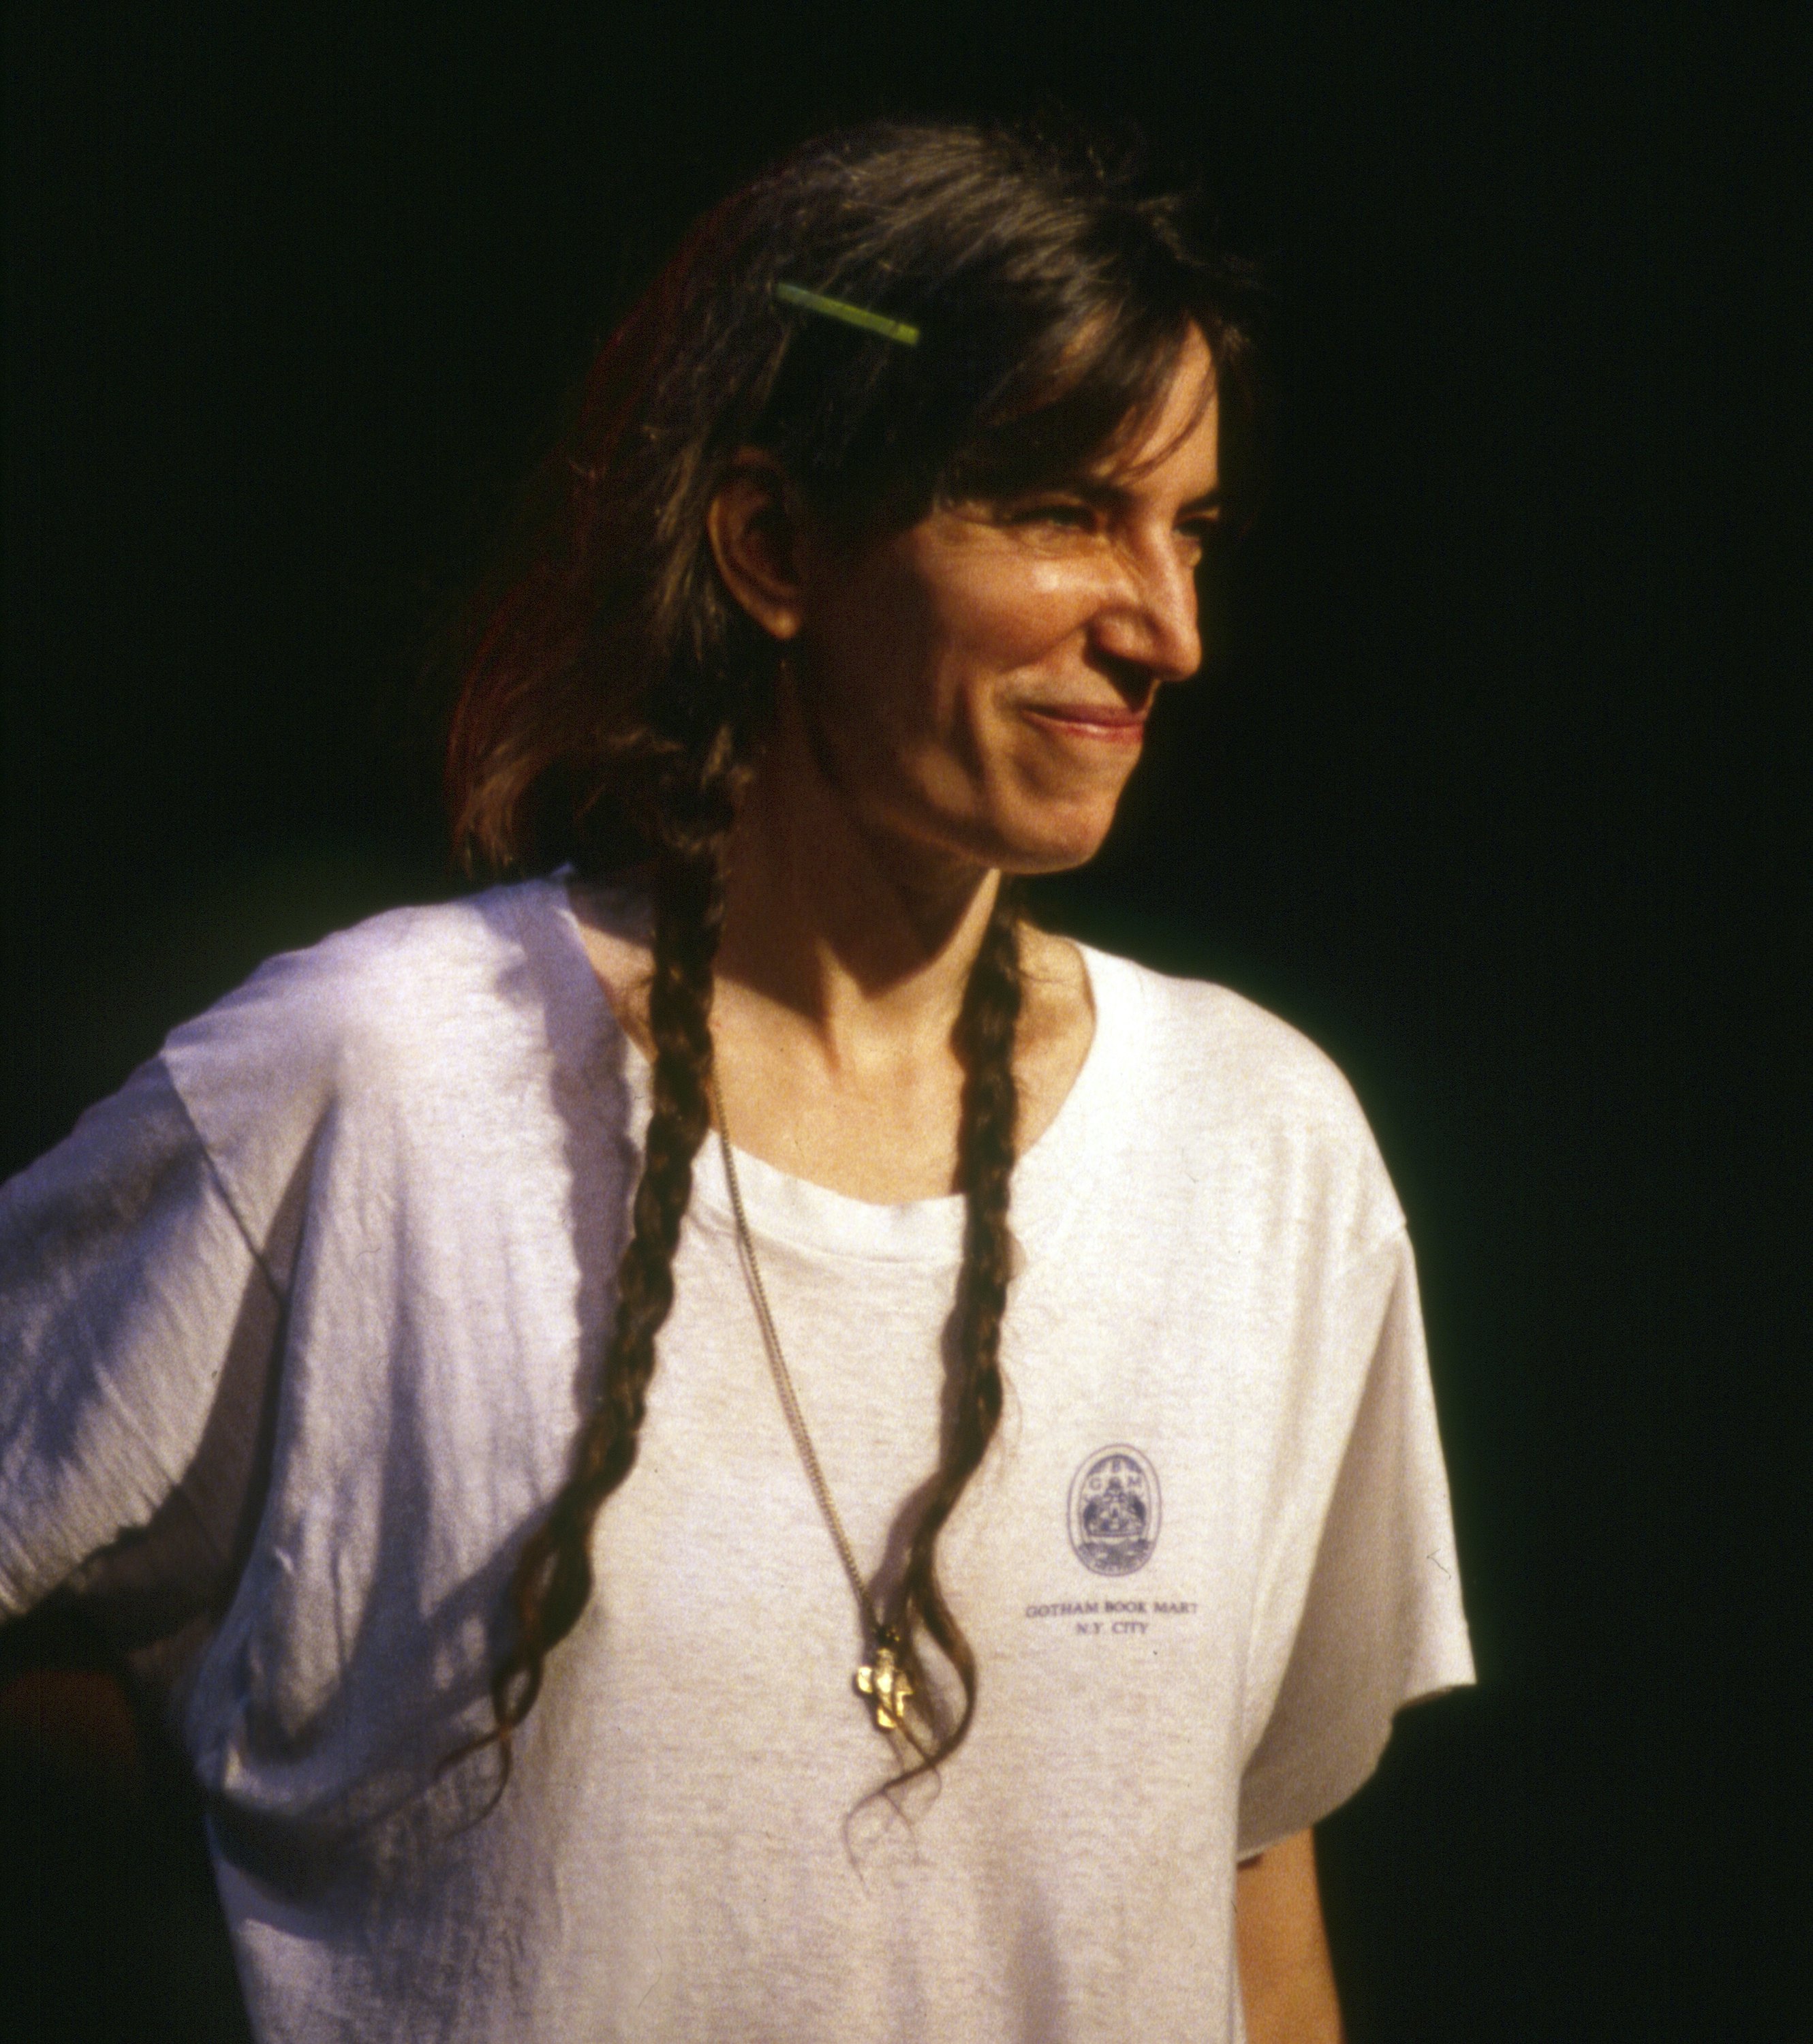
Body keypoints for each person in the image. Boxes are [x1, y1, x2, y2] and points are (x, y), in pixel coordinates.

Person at [0, 119, 1472, 2042]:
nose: (1165, 627)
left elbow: (1250, 1879)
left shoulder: (1268, 1151)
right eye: (1060, 513)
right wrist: (277, 1808)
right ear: (777, 546)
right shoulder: (380, 1084)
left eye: (1185, 528)